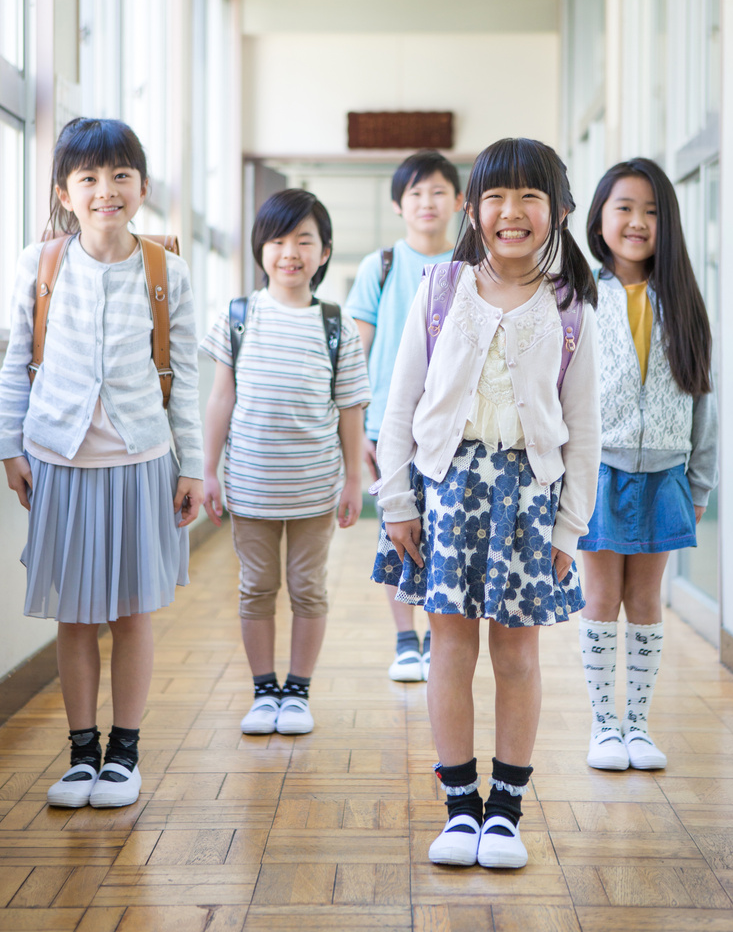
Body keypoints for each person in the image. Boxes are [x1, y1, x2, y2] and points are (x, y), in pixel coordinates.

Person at [372, 137, 601, 869]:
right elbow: (401, 402)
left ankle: (505, 810)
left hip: (530, 499)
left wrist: (571, 527)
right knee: (450, 648)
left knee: (518, 654)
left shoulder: (572, 307)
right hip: (444, 493)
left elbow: (585, 431)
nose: (512, 212)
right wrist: (395, 498)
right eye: (496, 197)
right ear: (473, 210)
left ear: (559, 212)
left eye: (531, 197)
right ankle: (459, 806)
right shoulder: (440, 288)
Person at [0, 117, 204, 810]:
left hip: (141, 459)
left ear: (142, 187)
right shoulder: (41, 263)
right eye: (88, 178)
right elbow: (16, 365)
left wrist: (192, 467)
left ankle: (125, 752)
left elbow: (186, 376)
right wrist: (9, 447)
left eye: (120, 176)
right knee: (75, 617)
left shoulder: (164, 268)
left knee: (133, 614)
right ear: (65, 190)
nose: (105, 190)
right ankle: (81, 751)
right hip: (59, 459)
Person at [201, 189, 369, 737]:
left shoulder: (337, 326)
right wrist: (207, 471)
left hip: (315, 487)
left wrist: (352, 480)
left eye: (304, 240)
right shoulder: (238, 317)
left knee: (307, 588)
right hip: (250, 485)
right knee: (255, 587)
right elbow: (220, 398)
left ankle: (297, 692)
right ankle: (262, 690)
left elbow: (350, 411)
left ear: (324, 253)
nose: (290, 252)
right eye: (278, 240)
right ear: (260, 248)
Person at [578, 158, 717, 772]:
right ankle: (603, 725)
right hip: (598, 471)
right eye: (625, 208)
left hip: (667, 474)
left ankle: (638, 724)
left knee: (647, 599)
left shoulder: (682, 301)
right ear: (600, 218)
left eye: (653, 211)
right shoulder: (577, 298)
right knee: (600, 597)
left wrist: (701, 482)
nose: (638, 222)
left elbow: (702, 398)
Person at [346, 150, 463, 682]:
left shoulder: (469, 263)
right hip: (387, 429)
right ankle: (404, 640)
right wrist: (360, 426)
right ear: (398, 205)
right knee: (394, 530)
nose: (427, 202)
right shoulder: (381, 266)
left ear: (459, 201)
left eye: (438, 191)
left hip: (453, 426)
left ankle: (439, 636)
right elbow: (357, 348)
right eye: (415, 193)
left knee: (447, 532)